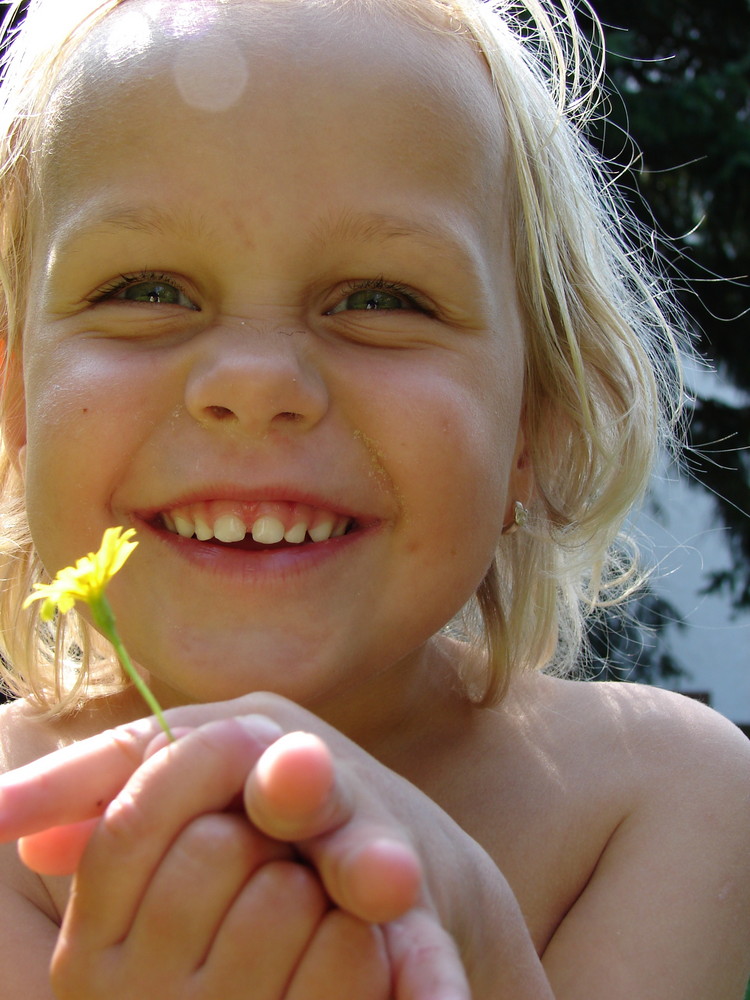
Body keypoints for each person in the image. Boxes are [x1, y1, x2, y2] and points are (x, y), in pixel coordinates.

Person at [0, 0, 747, 996]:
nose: (257, 382)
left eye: (382, 299)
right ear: (14, 403)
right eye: (144, 288)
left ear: (536, 420)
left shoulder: (666, 800)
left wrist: (484, 953)